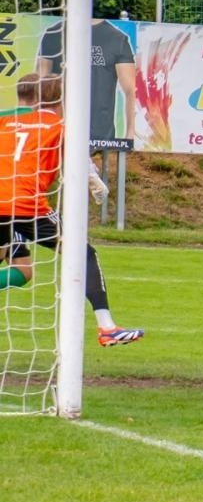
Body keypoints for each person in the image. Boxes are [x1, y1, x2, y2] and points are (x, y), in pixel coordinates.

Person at [0, 73, 142, 346]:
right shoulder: (59, 125)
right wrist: (95, 183)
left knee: (22, 269)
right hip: (27, 206)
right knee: (83, 252)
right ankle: (107, 326)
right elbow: (81, 162)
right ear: (59, 100)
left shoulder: (5, 119)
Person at [36, 18, 137, 148]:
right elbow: (39, 84)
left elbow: (131, 90)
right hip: (58, 129)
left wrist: (130, 134)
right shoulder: (54, 33)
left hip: (100, 135)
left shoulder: (117, 38)